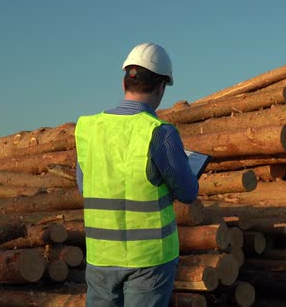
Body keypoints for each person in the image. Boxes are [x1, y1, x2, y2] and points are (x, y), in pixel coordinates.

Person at [75, 42, 199, 307]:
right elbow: (188, 193)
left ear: (124, 84)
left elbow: (85, 186)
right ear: (162, 87)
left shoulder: (88, 129)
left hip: (101, 257)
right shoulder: (160, 133)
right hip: (150, 260)